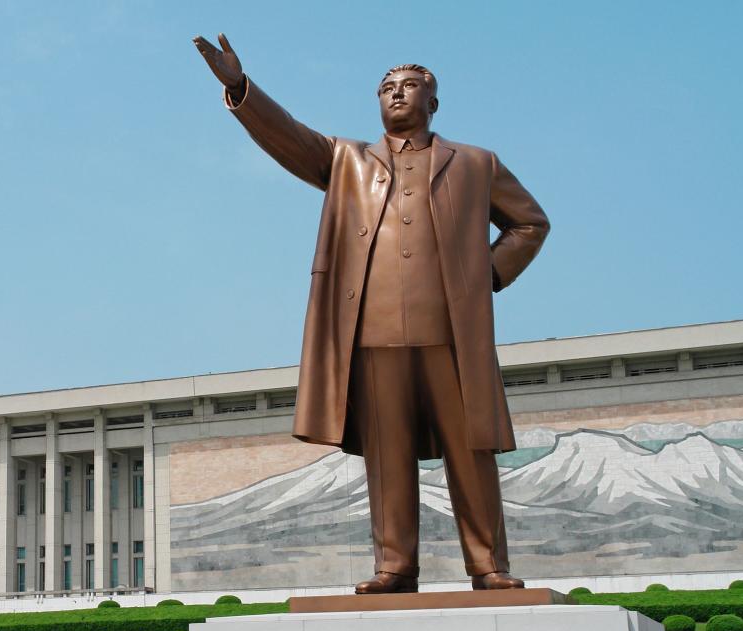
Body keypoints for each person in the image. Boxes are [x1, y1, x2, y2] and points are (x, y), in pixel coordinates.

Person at [192, 36, 549, 594]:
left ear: (434, 101)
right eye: (385, 88)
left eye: (409, 86)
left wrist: (487, 274)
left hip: (451, 331)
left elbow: (530, 224)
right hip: (373, 332)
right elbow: (290, 137)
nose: (396, 94)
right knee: (386, 455)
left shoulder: (477, 164)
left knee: (470, 448)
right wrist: (240, 88)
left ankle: (488, 565)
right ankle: (394, 566)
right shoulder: (347, 161)